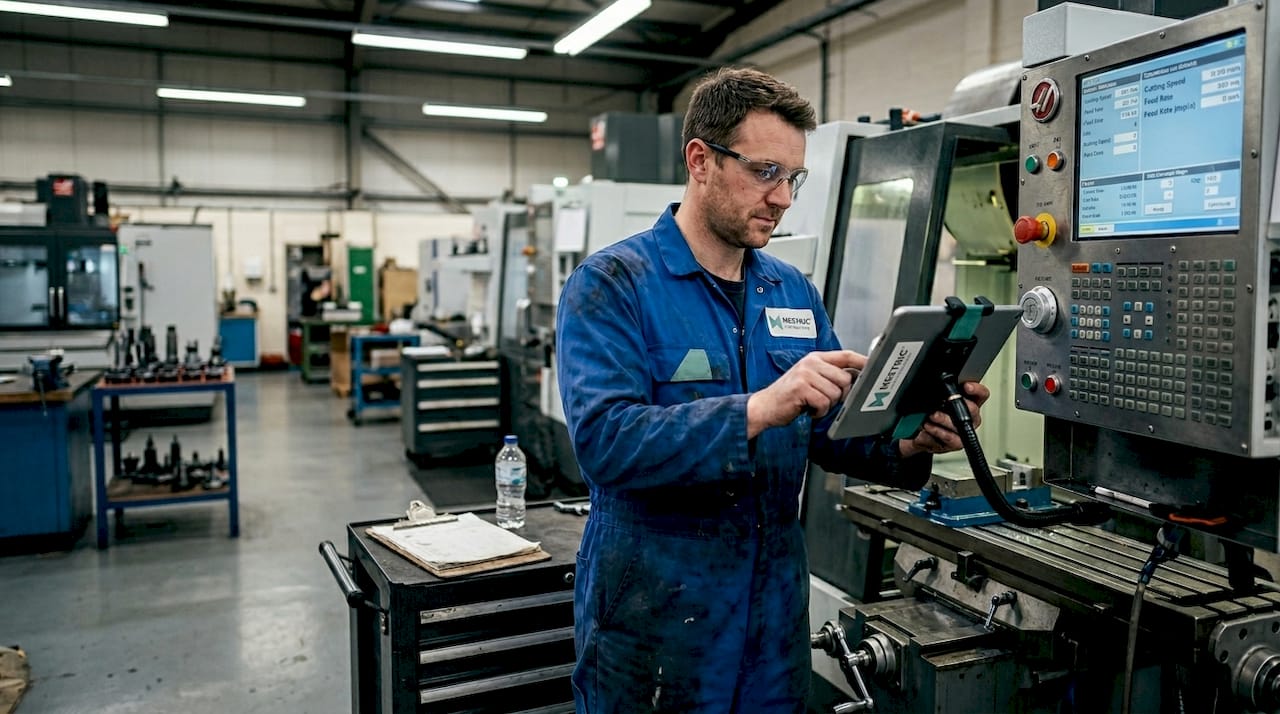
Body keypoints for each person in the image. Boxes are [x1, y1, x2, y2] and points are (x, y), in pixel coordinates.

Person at [555, 67, 990, 713]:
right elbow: (606, 443)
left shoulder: (789, 290)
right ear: (700, 160)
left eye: (794, 178)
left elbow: (828, 433)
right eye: (765, 172)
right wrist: (760, 407)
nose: (783, 197)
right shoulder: (614, 282)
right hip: (657, 617)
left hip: (772, 613)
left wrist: (909, 439)